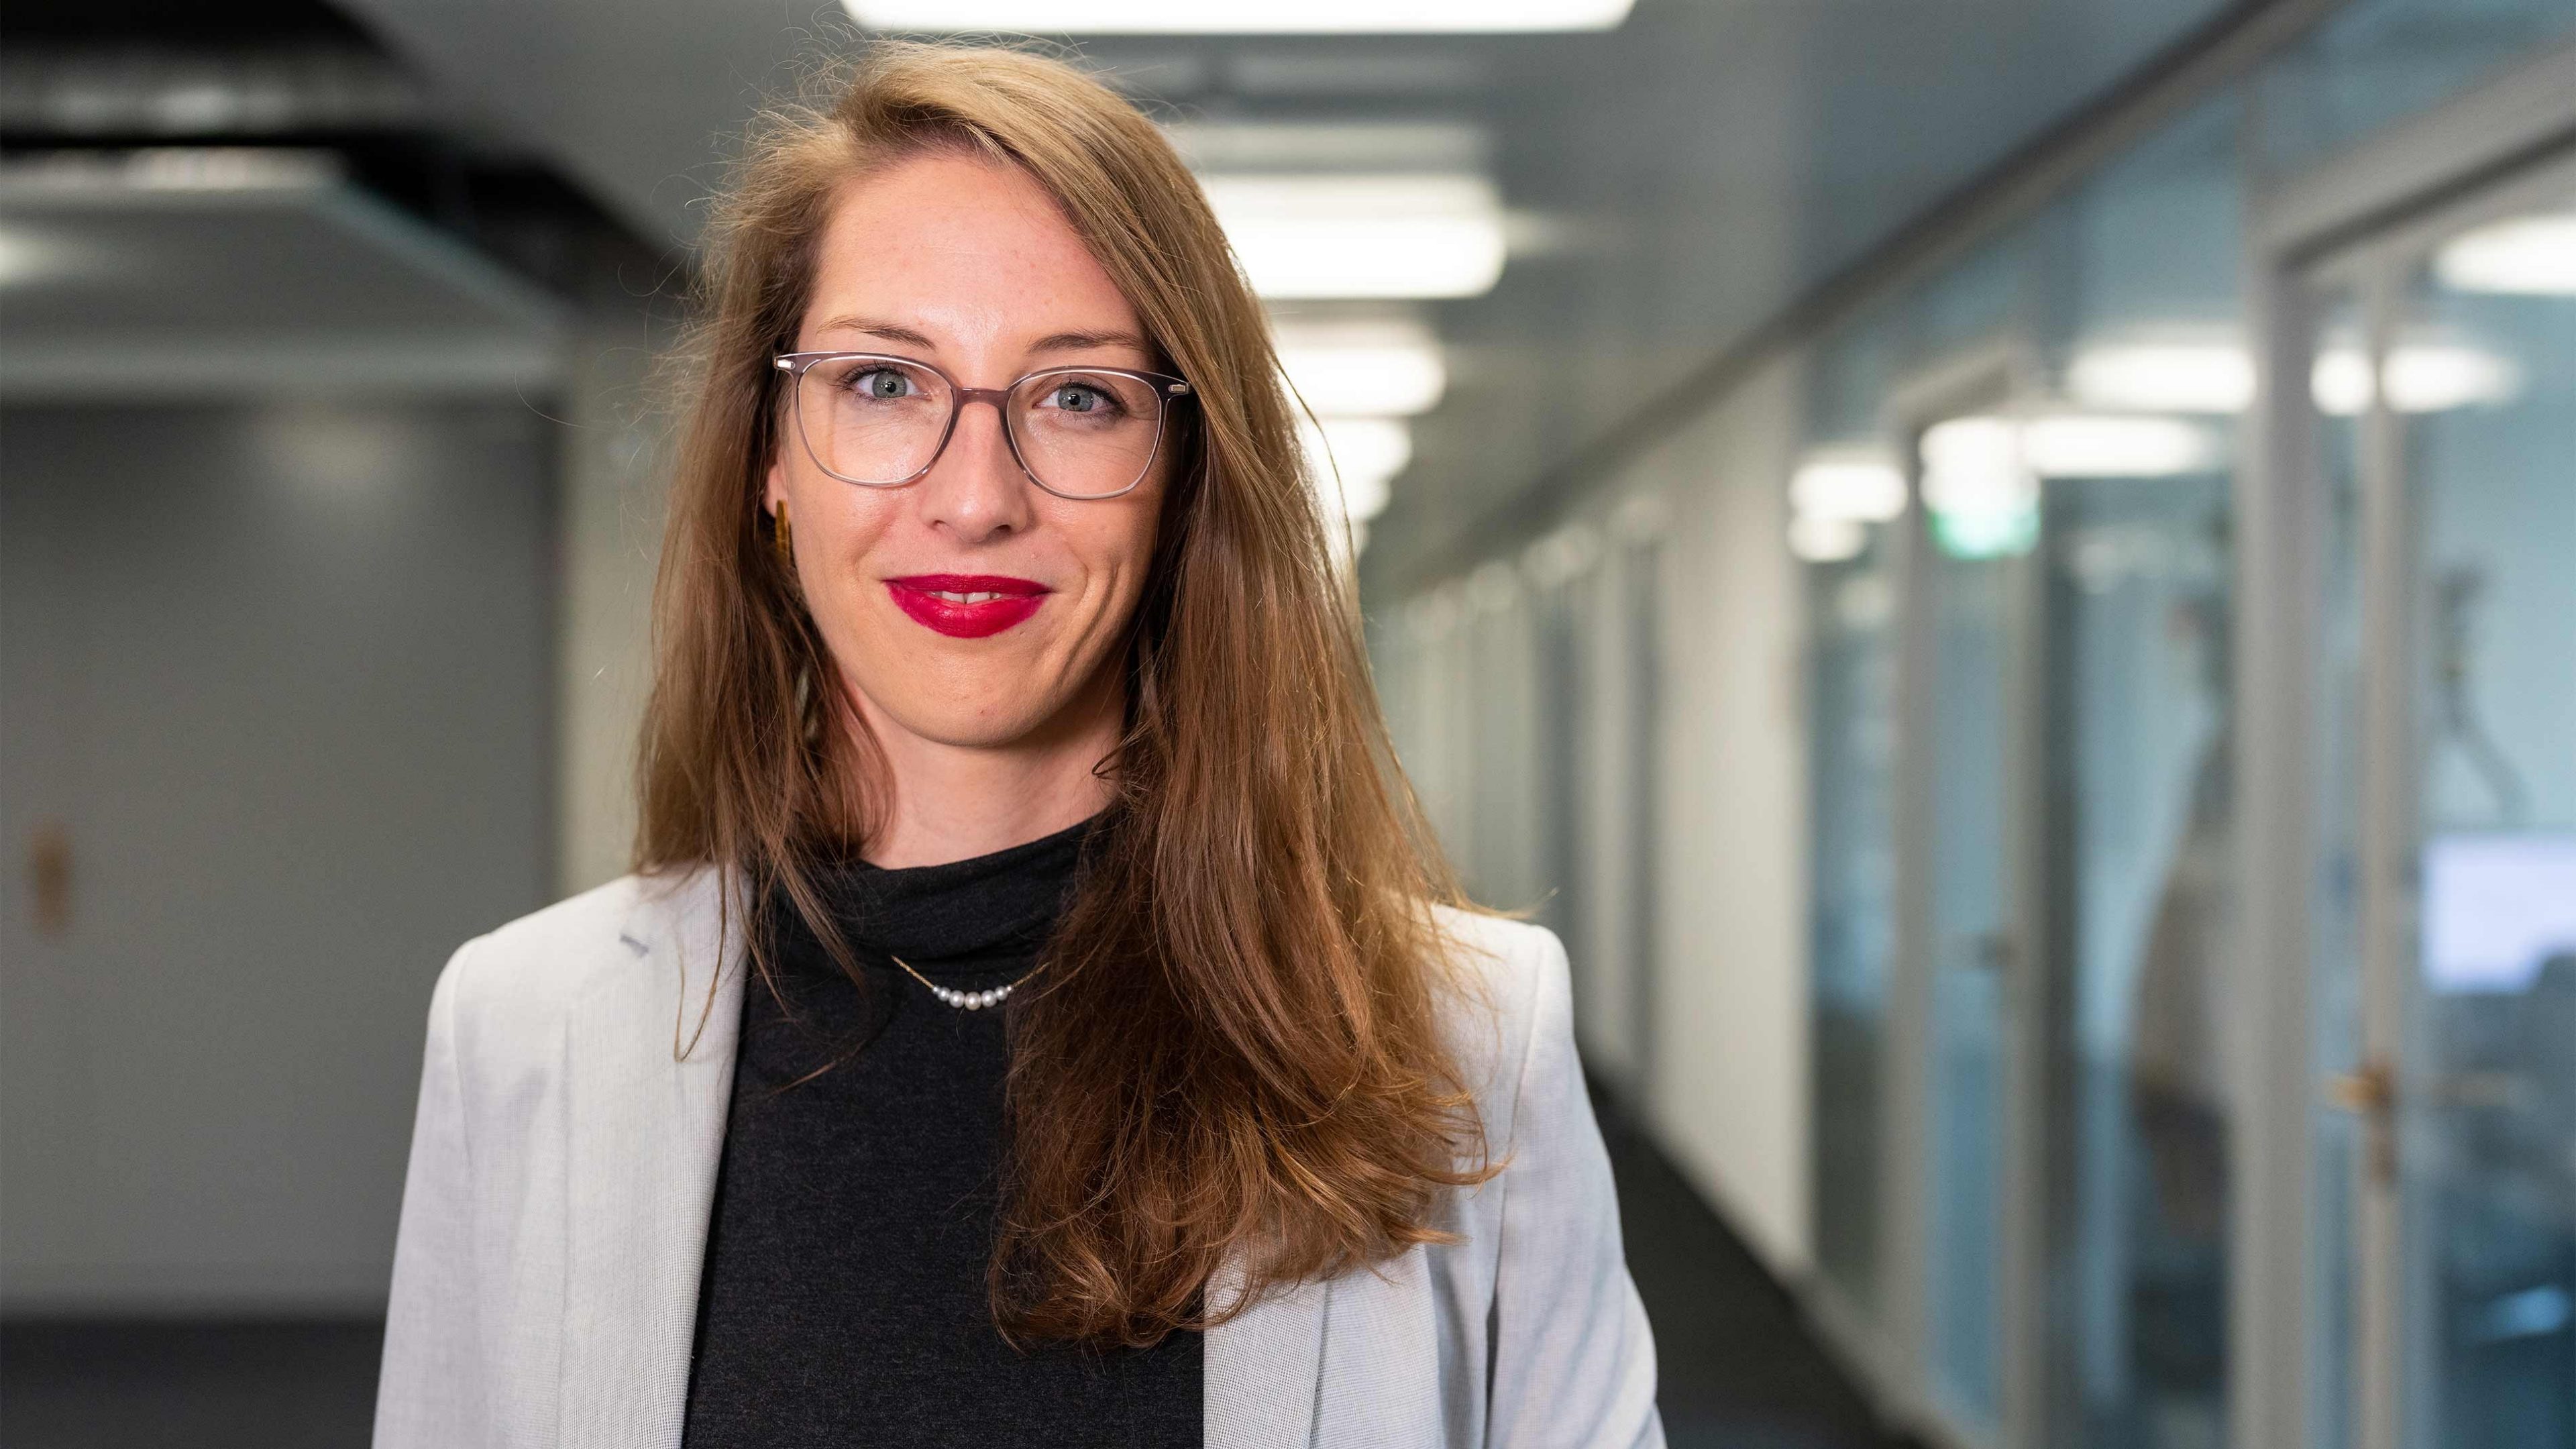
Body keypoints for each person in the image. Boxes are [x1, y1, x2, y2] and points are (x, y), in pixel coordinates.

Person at [373, 41, 1661, 1449]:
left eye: (1080, 396)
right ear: (769, 459)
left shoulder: (1466, 1037)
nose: (975, 497)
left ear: (1183, 482)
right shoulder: (524, 1030)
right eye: (882, 383)